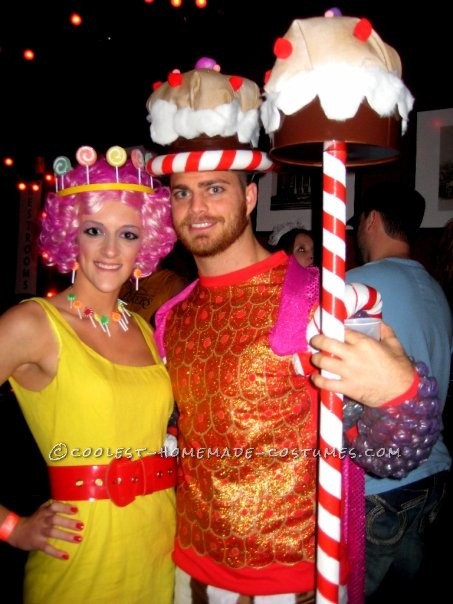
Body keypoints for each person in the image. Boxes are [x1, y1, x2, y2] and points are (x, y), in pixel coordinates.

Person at [145, 61, 442, 603]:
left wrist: (398, 398)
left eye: (215, 188)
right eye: (182, 193)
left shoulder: (315, 298)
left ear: (251, 197)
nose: (198, 208)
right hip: (184, 567)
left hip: (295, 581)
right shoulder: (173, 313)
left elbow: (389, 454)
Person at [0, 148, 178, 604]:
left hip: (161, 550)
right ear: (70, 235)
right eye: (94, 231)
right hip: (80, 561)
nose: (110, 250)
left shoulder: (142, 327)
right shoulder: (33, 324)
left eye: (129, 234)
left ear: (147, 243)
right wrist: (10, 526)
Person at [346, 181, 453, 600]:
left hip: (377, 487)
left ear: (370, 220)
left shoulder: (354, 287)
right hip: (432, 478)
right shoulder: (436, 291)